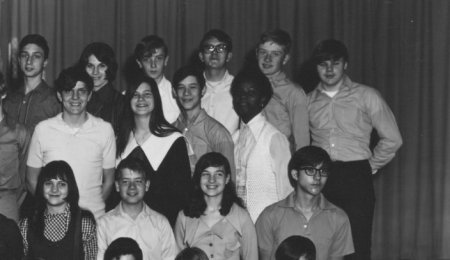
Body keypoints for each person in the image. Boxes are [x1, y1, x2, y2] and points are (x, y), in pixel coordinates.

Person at [307, 39, 403, 259]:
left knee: (357, 244)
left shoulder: (367, 95)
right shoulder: (307, 101)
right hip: (321, 176)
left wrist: (369, 166)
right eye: (323, 63)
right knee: (321, 243)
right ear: (316, 67)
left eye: (335, 63)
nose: (329, 69)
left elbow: (393, 138)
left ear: (346, 65)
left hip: (356, 175)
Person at [26, 66, 116, 219]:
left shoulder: (105, 129)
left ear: (89, 95)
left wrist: (93, 208)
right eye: (69, 91)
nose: (75, 97)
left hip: (94, 219)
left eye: (81, 91)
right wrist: (50, 207)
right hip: (52, 220)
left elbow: (109, 180)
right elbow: (31, 179)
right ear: (60, 96)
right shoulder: (43, 129)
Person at [115, 72, 191, 226]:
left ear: (156, 99)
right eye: (135, 95)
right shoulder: (120, 140)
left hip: (162, 227)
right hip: (123, 225)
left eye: (147, 94)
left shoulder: (174, 140)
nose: (141, 99)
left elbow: (182, 196)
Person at [255, 146, 354, 260]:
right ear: (295, 174)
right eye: (310, 170)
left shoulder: (338, 218)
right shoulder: (270, 215)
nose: (317, 177)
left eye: (323, 171)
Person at [231, 69, 292, 222]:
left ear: (262, 99)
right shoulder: (234, 138)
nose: (243, 98)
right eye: (239, 93)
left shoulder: (274, 138)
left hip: (268, 225)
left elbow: (286, 190)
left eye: (251, 93)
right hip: (239, 226)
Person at [174, 152, 258, 260]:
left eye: (218, 174)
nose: (211, 180)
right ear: (198, 178)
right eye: (205, 174)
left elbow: (252, 257)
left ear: (227, 178)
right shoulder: (184, 217)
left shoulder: (242, 217)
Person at [97, 157, 178, 260]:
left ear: (147, 185)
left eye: (138, 181)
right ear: (117, 186)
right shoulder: (103, 224)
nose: (132, 187)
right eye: (126, 181)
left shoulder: (161, 223)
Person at [19, 160, 97, 260]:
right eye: (48, 183)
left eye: (61, 184)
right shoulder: (26, 224)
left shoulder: (84, 223)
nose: (54, 189)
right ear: (41, 186)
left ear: (70, 187)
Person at [172, 66, 235, 177]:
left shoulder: (217, 133)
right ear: (174, 92)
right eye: (181, 88)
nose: (187, 93)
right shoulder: (171, 131)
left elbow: (229, 180)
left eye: (192, 87)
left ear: (203, 90)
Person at [256, 29, 309, 152]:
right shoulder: (248, 87)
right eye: (263, 52)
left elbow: (302, 140)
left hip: (279, 159)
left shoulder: (293, 92)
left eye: (275, 54)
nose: (267, 59)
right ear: (256, 54)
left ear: (285, 59)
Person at [3, 34, 60, 132]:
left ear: (45, 62)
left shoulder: (55, 101)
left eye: (36, 56)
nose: (29, 61)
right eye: (25, 55)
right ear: (19, 60)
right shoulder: (8, 100)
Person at [0, 72, 30, 222]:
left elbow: (24, 178)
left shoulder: (19, 132)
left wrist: (10, 202)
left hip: (7, 206)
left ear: (3, 92)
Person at [198, 29, 239, 134]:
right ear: (201, 56)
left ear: (229, 56)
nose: (214, 53)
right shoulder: (192, 88)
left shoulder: (238, 87)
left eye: (221, 48)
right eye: (209, 48)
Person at [78, 42, 125, 133]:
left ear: (110, 67)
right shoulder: (76, 98)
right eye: (90, 66)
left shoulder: (122, 103)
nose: (95, 72)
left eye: (101, 66)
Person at [134, 35, 180, 123]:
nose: (153, 65)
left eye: (158, 58)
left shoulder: (176, 95)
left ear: (166, 60)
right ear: (139, 63)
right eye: (147, 59)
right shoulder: (128, 96)